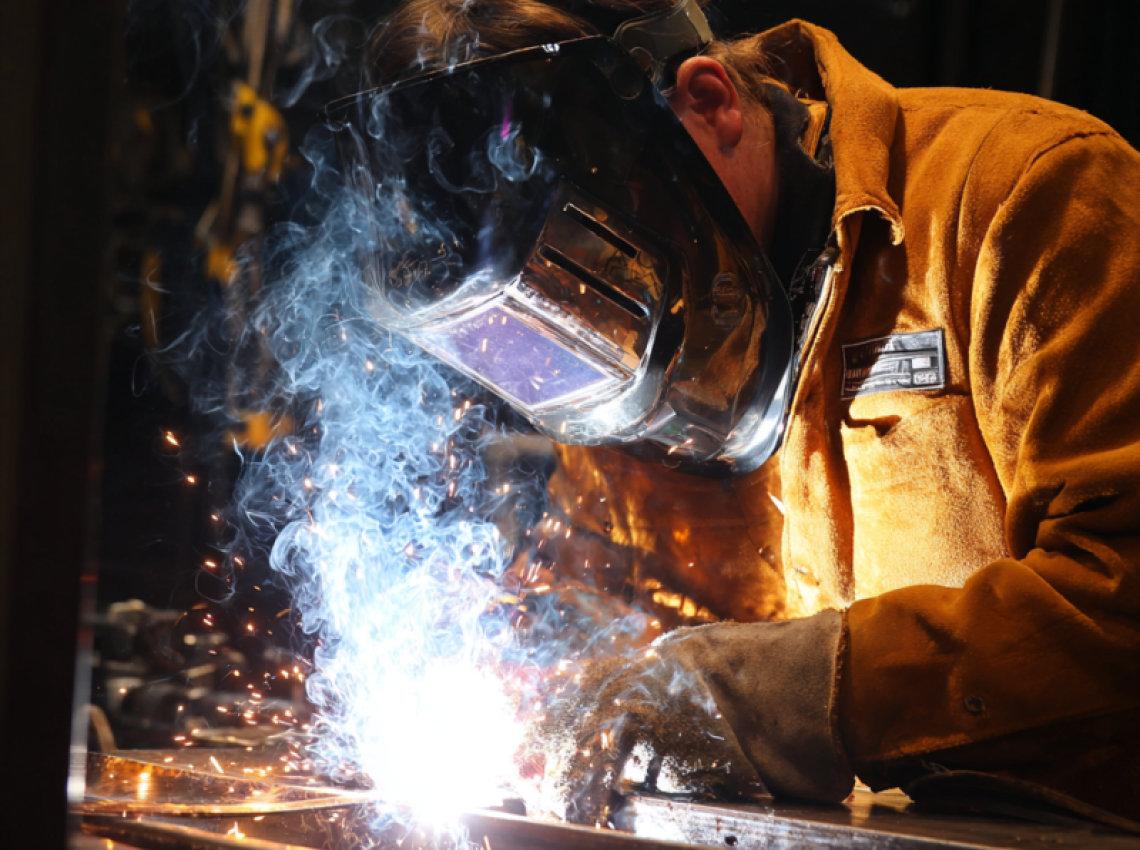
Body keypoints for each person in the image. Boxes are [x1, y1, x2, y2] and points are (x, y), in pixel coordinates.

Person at [342, 0, 1140, 827]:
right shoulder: (627, 364)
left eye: (601, 258)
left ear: (712, 104)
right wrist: (554, 684)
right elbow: (625, 611)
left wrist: (770, 695)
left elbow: (1119, 602)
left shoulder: (1029, 195)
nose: (595, 314)